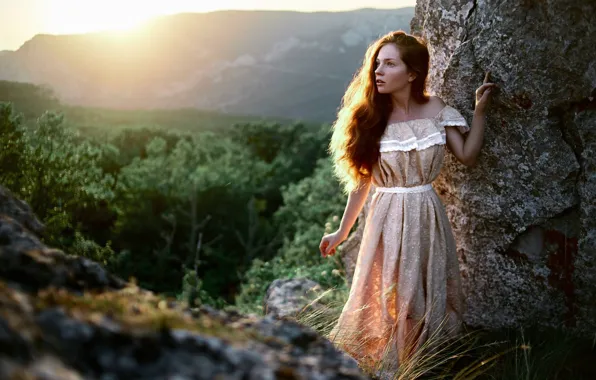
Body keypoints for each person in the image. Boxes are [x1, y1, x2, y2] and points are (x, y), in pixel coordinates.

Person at [318, 30, 496, 373]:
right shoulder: (370, 118)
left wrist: (480, 112)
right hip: (385, 216)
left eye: (389, 64)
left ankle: (420, 363)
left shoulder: (437, 110)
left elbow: (468, 155)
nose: (377, 72)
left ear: (412, 73)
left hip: (426, 212)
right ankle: (388, 364)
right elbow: (361, 183)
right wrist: (341, 232)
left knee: (423, 291)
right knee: (390, 293)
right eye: (376, 64)